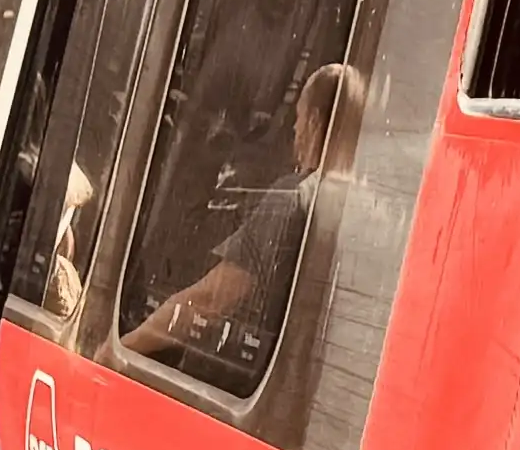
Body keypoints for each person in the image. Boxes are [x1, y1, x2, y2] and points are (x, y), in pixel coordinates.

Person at [122, 58, 364, 381]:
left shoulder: (293, 199)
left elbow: (211, 300)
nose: (293, 130)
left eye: (298, 117)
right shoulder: (362, 207)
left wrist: (122, 347)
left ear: (315, 123)